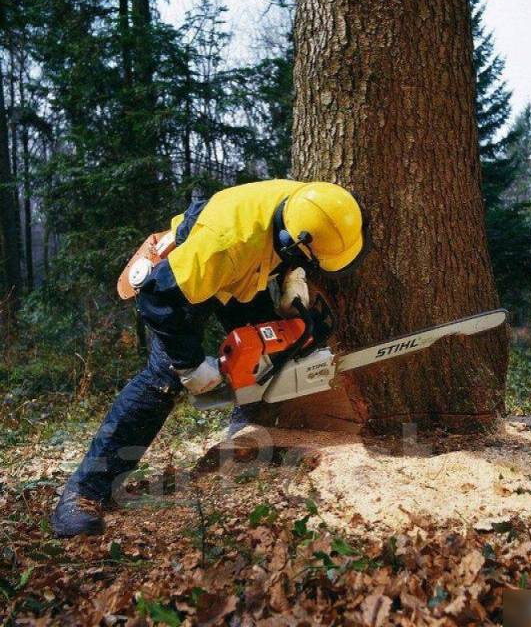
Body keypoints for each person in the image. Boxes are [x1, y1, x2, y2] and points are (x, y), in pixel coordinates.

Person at [51, 179, 367, 537]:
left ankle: (244, 428)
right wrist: (188, 365)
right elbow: (157, 301)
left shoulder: (316, 205)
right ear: (289, 240)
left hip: (249, 265)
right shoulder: (219, 249)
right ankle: (84, 491)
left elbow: (298, 239)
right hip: (189, 272)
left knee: (267, 346)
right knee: (162, 380)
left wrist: (294, 274)